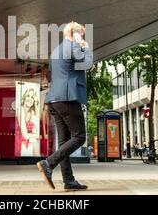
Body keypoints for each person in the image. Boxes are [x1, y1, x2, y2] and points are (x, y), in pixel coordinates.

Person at [36, 21, 93, 191]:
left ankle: (68, 180)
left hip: (54, 99)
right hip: (67, 98)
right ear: (75, 34)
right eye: (81, 34)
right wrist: (86, 47)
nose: (82, 37)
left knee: (64, 142)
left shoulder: (56, 50)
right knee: (80, 136)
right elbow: (87, 64)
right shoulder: (73, 46)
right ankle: (48, 163)